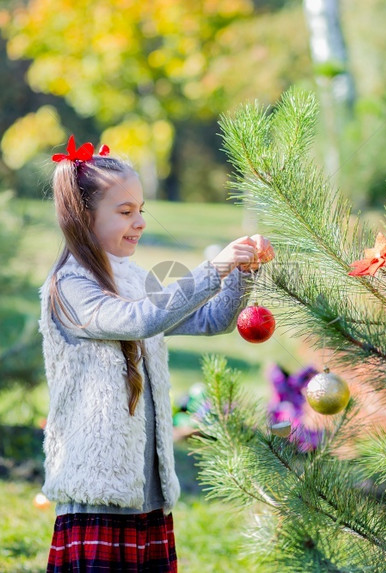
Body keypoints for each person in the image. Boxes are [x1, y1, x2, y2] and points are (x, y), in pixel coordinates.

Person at [40, 137, 273, 572]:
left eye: (141, 209)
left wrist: (242, 272)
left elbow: (209, 321)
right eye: (125, 212)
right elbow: (142, 320)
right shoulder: (69, 287)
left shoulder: (129, 276)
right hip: (98, 492)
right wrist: (213, 268)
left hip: (143, 490)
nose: (140, 221)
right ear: (82, 216)